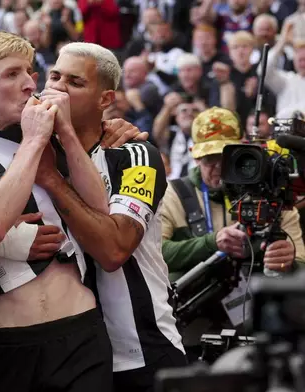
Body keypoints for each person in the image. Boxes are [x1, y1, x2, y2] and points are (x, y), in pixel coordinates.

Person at [0, 29, 138, 392]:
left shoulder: (44, 134)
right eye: (12, 74)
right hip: (1, 343)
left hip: (80, 333)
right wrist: (35, 141)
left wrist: (65, 133)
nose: (29, 84)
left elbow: (101, 206)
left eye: (29, 73)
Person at [39, 42, 186, 392]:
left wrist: (52, 181)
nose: (58, 88)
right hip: (68, 358)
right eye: (55, 76)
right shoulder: (34, 149)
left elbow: (114, 250)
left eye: (74, 82)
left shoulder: (135, 154)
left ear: (105, 100)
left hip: (141, 349)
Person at [160, 107, 305, 358]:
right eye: (209, 158)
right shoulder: (172, 194)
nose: (218, 167)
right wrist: (210, 243)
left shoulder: (272, 196)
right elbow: (155, 255)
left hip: (258, 329)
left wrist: (289, 262)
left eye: (227, 157)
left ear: (243, 150)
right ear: (195, 157)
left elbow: (302, 267)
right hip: (192, 332)